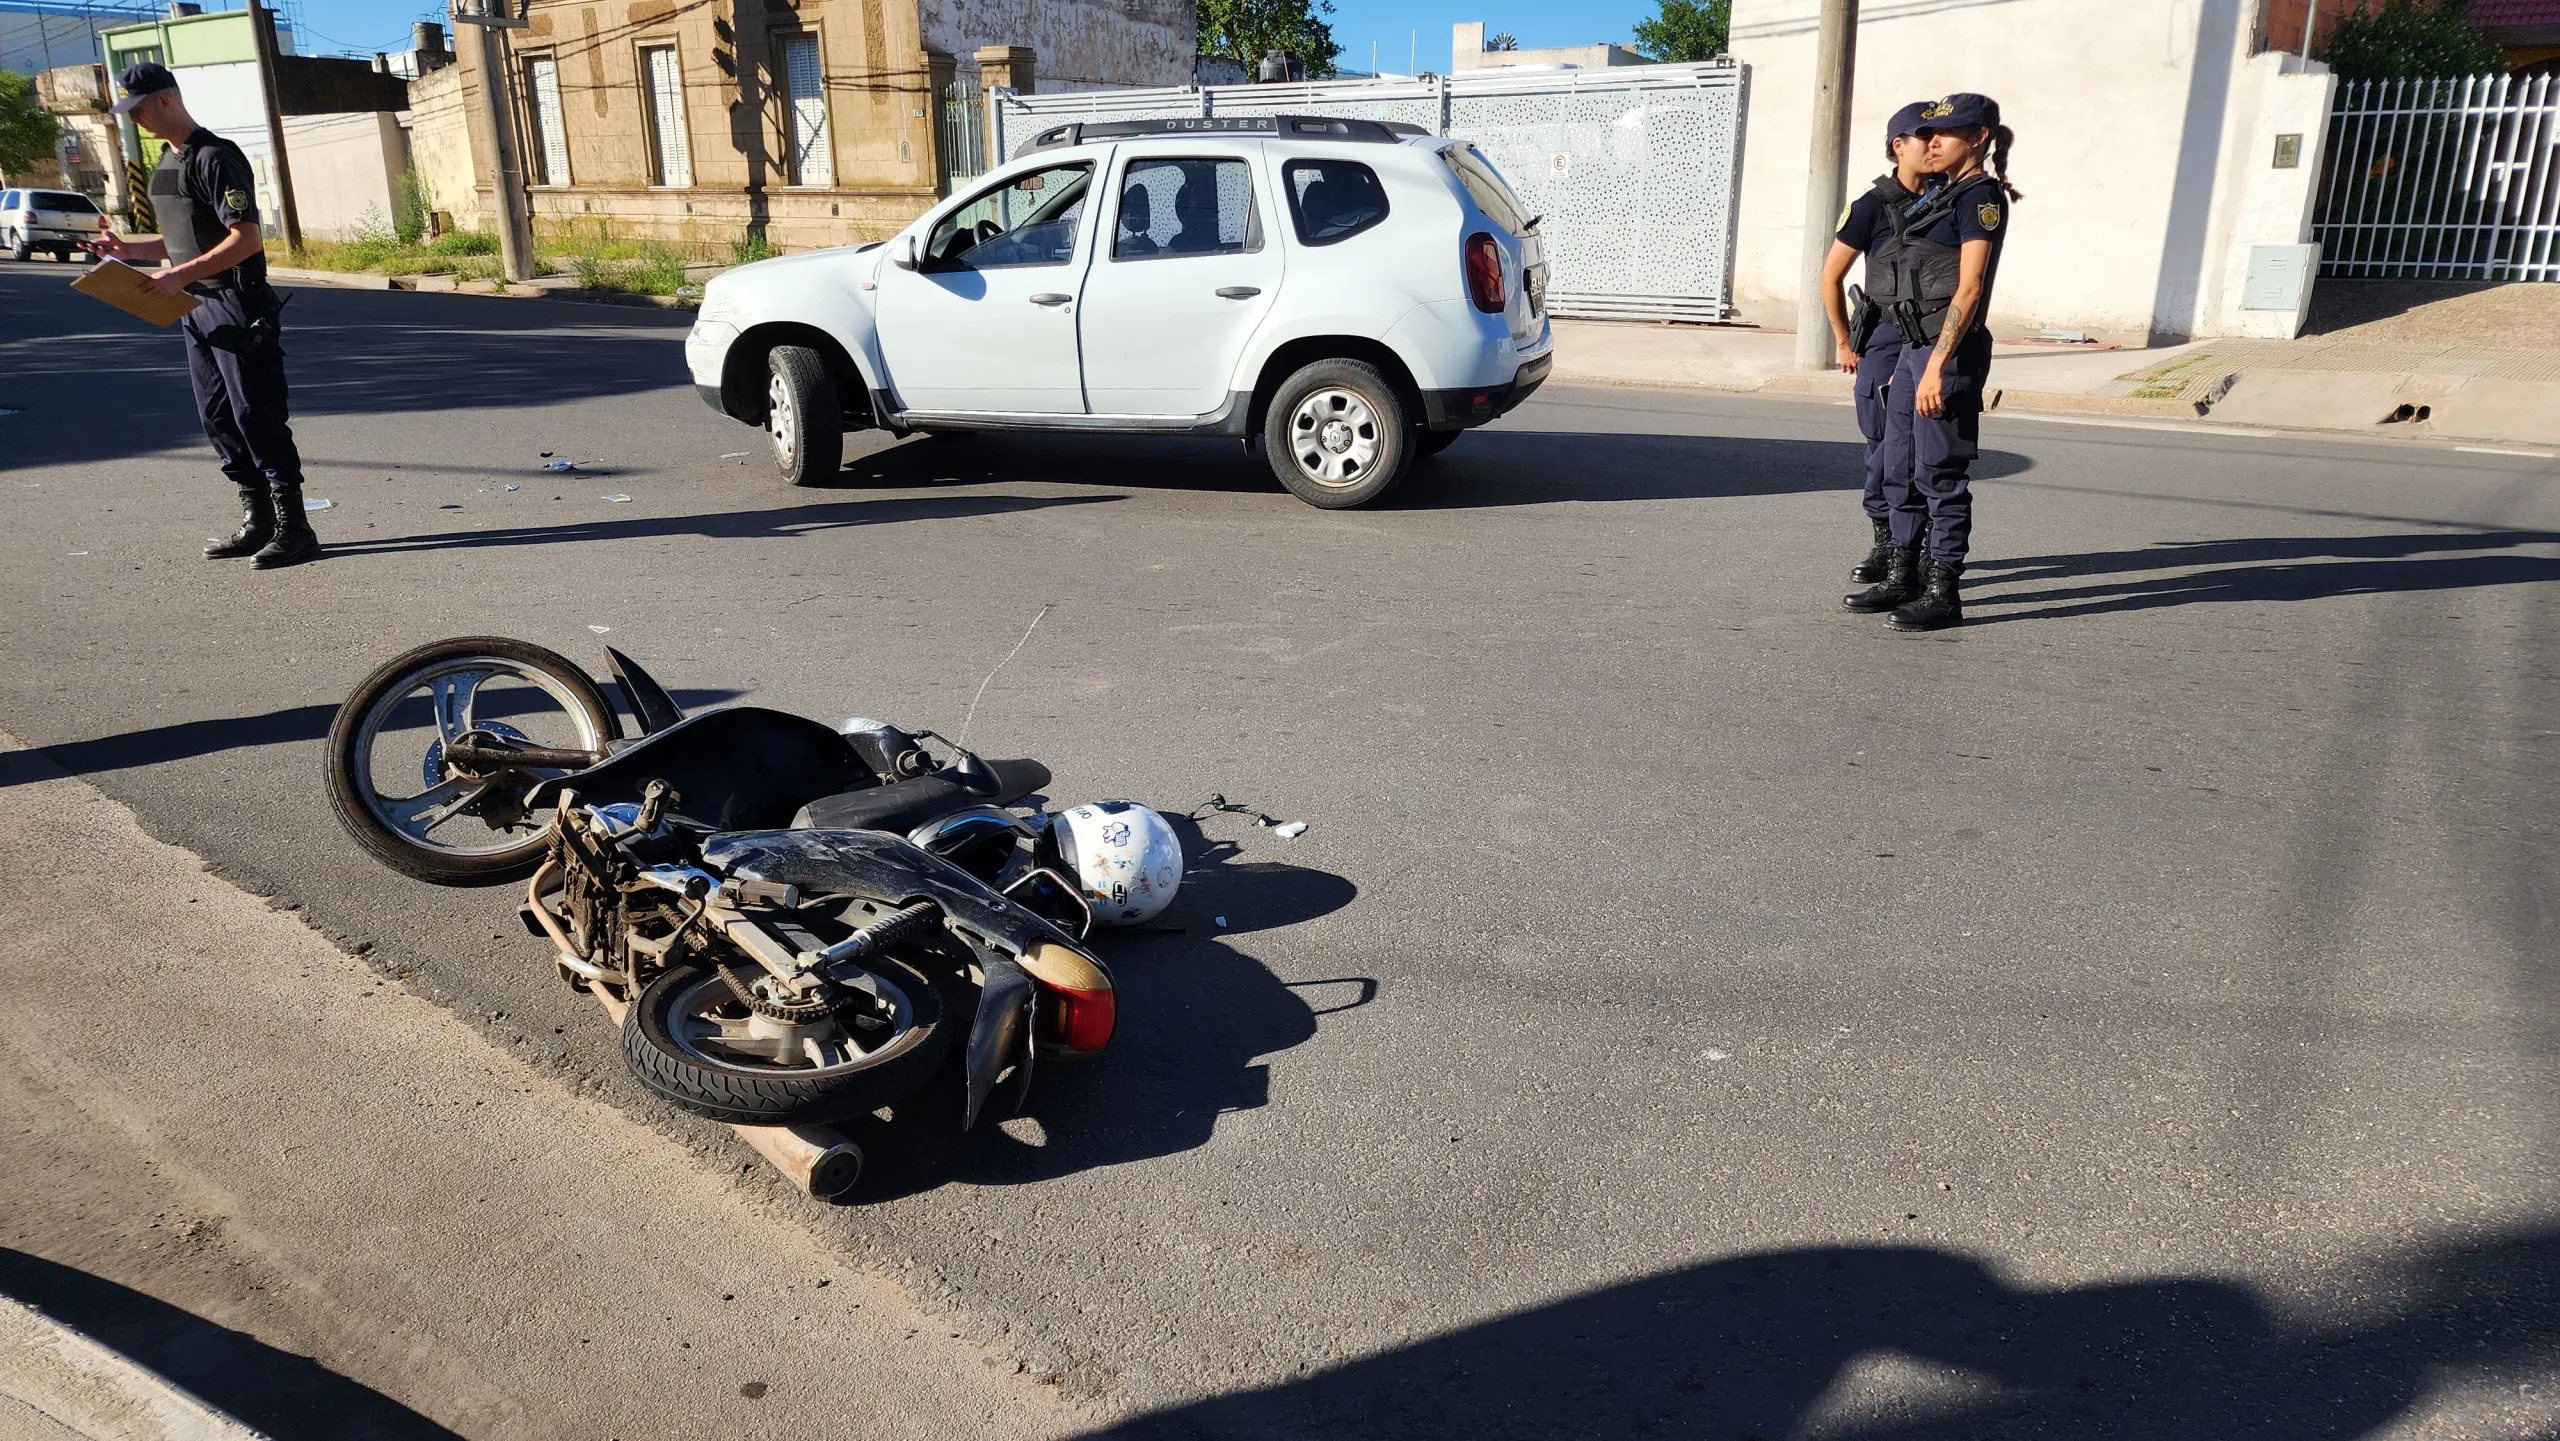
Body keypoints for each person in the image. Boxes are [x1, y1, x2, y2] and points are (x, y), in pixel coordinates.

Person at [91, 62, 320, 569]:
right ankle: (257, 519)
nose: (137, 120)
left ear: (166, 100)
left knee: (255, 413)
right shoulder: (166, 164)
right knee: (217, 417)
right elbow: (180, 242)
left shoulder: (217, 158)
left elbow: (247, 238)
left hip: (236, 304)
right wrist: (124, 251)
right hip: (195, 307)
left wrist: (177, 274)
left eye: (140, 109)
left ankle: (296, 528)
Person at [1842, 92, 2018, 631]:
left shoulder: (1980, 198)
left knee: (1938, 472)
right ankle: (1904, 573)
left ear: (1980, 138)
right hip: (1914, 348)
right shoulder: (1944, 195)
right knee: (1898, 465)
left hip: (1948, 350)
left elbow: (1968, 287)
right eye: (1930, 133)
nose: (1933, 141)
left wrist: (1938, 365)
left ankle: (1944, 592)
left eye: (1948, 132)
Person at [1819, 101, 1936, 588]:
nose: (1934, 146)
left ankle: (1922, 546)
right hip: (1885, 338)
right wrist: (1844, 341)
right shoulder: (1870, 206)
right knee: (1881, 447)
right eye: (1924, 137)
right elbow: (1831, 276)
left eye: (1939, 137)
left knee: (1924, 449)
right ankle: (1885, 540)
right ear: (1898, 146)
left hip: (1927, 337)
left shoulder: (1951, 200)